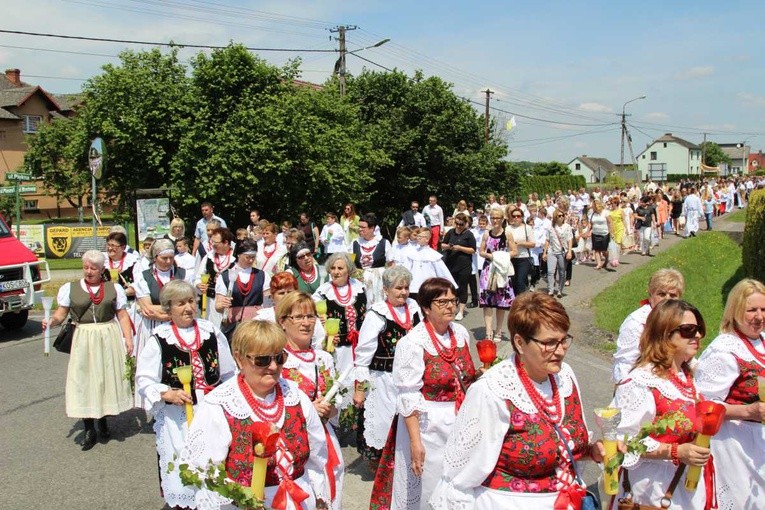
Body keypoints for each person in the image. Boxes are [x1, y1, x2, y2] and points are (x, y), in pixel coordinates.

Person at [429, 292, 606, 509]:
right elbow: (460, 476)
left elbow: (564, 447)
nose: (560, 351)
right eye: (549, 343)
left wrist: (592, 451)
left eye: (564, 340)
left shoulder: (564, 377)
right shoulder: (493, 391)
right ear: (520, 343)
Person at [180, 320, 329, 509]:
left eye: (279, 357)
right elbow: (206, 473)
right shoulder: (220, 405)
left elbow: (317, 455)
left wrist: (319, 496)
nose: (273, 367)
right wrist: (243, 498)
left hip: (299, 499)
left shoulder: (295, 395)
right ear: (239, 359)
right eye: (262, 360)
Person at [370, 278, 477, 510]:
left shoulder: (460, 334)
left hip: (461, 420)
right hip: (428, 425)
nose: (450, 306)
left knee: (460, 484)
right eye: (442, 301)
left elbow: (466, 376)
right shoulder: (412, 343)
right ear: (426, 308)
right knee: (429, 484)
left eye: (453, 300)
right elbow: (408, 396)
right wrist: (416, 443)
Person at [135, 280, 236, 508]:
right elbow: (144, 378)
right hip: (177, 417)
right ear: (168, 308)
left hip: (211, 411)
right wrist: (166, 393)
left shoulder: (211, 331)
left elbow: (229, 372)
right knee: (182, 462)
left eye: (191, 301)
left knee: (214, 461)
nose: (188, 308)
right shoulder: (160, 339)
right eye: (180, 303)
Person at [611, 299, 712, 509]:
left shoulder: (688, 376)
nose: (698, 336)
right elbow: (624, 440)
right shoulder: (642, 381)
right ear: (665, 334)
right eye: (688, 330)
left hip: (683, 487)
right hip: (651, 488)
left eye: (699, 329)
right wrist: (675, 451)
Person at [42, 250, 134, 451]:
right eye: (86, 267)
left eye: (93, 268)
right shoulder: (70, 288)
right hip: (83, 336)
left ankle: (103, 419)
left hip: (107, 334)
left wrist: (128, 339)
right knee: (84, 379)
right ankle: (89, 427)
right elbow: (61, 313)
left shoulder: (113, 288)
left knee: (104, 378)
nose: (89, 271)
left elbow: (123, 316)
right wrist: (51, 321)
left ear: (102, 270)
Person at [695, 278, 765, 510]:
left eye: (763, 309)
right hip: (735, 445)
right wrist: (748, 410)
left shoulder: (762, 341)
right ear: (735, 310)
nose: (759, 316)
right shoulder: (724, 350)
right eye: (751, 310)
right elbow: (702, 405)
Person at [277, 292, 344, 510]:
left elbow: (336, 401)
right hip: (290, 442)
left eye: (310, 316)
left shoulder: (323, 357)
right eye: (298, 317)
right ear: (283, 322)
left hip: (324, 438)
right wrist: (307, 410)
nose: (306, 323)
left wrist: (330, 408)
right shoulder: (277, 360)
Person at [355, 266, 422, 470]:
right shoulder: (377, 314)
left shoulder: (414, 308)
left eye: (406, 287)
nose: (403, 292)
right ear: (386, 289)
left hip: (412, 377)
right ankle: (380, 466)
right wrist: (360, 389)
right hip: (383, 378)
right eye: (398, 288)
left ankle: (405, 460)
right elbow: (363, 353)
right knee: (383, 421)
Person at [611, 269, 685, 383]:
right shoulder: (636, 322)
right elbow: (624, 365)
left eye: (673, 295)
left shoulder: (682, 321)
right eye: (661, 294)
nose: (667, 299)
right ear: (651, 295)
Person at [133, 239, 194, 369]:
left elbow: (189, 304)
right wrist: (177, 308)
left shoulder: (184, 274)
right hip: (152, 326)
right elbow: (148, 308)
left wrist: (162, 313)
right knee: (153, 364)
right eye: (164, 258)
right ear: (155, 258)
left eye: (171, 258)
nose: (168, 262)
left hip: (179, 325)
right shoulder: (144, 277)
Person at [312, 253, 367, 396]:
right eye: (333, 268)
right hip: (336, 348)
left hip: (359, 347)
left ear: (348, 270)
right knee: (339, 384)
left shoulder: (360, 288)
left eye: (340, 268)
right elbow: (316, 320)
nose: (336, 272)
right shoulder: (323, 292)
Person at [255, 271, 325, 348]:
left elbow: (319, 342)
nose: (286, 296)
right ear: (272, 296)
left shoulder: (309, 316)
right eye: (281, 293)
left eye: (289, 292)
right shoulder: (262, 319)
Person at [478, 209, 517, 342]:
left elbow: (514, 251)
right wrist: (491, 256)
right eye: (493, 218)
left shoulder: (507, 234)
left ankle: (498, 330)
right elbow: (481, 251)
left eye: (497, 218)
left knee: (501, 301)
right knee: (487, 301)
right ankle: (488, 330)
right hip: (488, 269)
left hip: (502, 270)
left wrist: (502, 256)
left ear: (502, 219)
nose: (495, 220)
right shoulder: (486, 234)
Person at [215, 239, 266, 339]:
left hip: (256, 325)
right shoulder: (225, 276)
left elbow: (267, 302)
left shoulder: (262, 275)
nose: (251, 260)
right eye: (247, 257)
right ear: (238, 255)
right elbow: (218, 306)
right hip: (233, 326)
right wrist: (222, 304)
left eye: (253, 257)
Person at [194, 227, 236, 327]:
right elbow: (197, 277)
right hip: (210, 303)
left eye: (215, 242)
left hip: (231, 304)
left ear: (226, 243)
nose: (212, 245)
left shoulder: (236, 258)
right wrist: (199, 284)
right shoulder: (208, 257)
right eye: (211, 241)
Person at [441, 212, 476, 322]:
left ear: (465, 224)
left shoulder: (469, 234)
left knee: (462, 287)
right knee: (451, 287)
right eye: (456, 223)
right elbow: (442, 244)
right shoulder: (451, 232)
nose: (458, 226)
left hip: (464, 265)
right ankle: (452, 307)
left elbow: (473, 250)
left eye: (461, 224)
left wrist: (460, 248)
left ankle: (461, 311)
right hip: (451, 264)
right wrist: (449, 247)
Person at [352, 213, 392, 306]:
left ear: (372, 228)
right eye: (359, 226)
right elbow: (350, 264)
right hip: (360, 283)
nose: (360, 229)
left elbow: (391, 265)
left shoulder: (384, 243)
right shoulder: (354, 243)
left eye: (363, 227)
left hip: (379, 284)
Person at [408, 228, 456, 299]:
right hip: (414, 285)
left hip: (427, 285)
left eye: (420, 237)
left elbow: (442, 270)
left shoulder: (432, 254)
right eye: (418, 236)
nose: (418, 238)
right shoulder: (413, 252)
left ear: (427, 239)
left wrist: (450, 284)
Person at [102, 231, 139, 310]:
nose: (110, 248)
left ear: (123, 247)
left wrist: (122, 293)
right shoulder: (101, 260)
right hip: (106, 303)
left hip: (130, 305)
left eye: (113, 245)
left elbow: (139, 284)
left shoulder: (133, 261)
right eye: (108, 245)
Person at [542, 210, 573, 299]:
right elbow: (547, 240)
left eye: (562, 215)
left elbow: (569, 239)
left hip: (562, 252)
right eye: (559, 216)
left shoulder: (567, 227)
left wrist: (569, 251)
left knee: (562, 272)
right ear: (555, 217)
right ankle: (551, 289)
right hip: (552, 251)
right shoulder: (551, 227)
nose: (561, 217)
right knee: (550, 271)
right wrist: (545, 252)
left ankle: (560, 290)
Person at [506, 205, 534, 294]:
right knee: (512, 281)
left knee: (520, 281)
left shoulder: (527, 228)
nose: (516, 218)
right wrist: (509, 243)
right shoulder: (508, 228)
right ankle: (514, 302)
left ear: (522, 217)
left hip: (523, 258)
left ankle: (521, 303)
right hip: (511, 258)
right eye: (514, 216)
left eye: (518, 216)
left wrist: (520, 243)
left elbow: (532, 244)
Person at [589, 199, 612, 269]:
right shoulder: (592, 214)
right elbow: (591, 224)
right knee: (596, 249)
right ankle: (599, 264)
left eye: (593, 207)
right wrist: (588, 231)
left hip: (604, 234)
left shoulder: (605, 212)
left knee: (604, 250)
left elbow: (610, 222)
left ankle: (607, 258)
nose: (592, 208)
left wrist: (612, 232)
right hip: (595, 234)